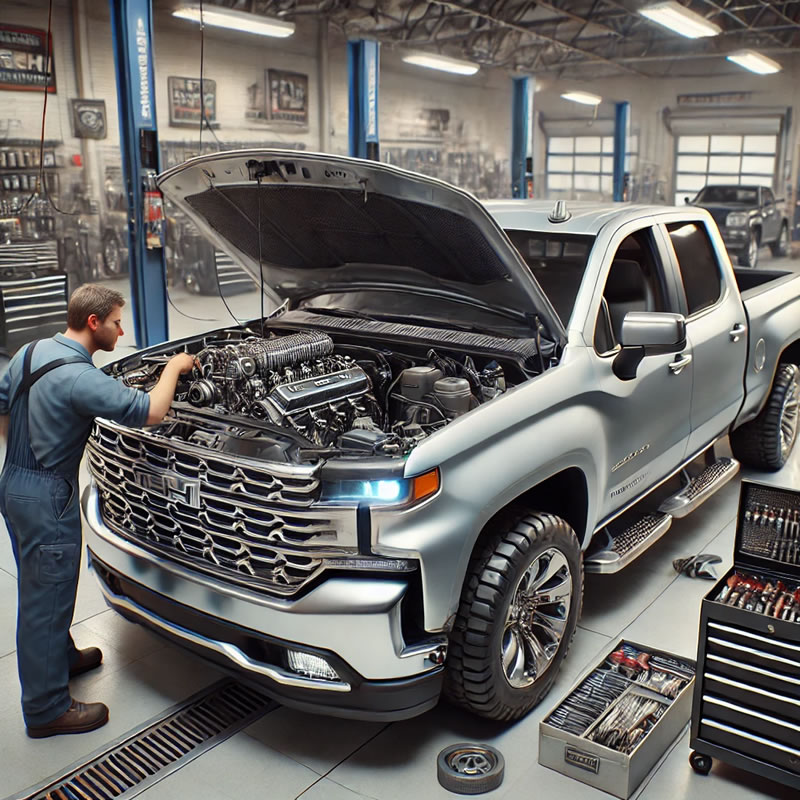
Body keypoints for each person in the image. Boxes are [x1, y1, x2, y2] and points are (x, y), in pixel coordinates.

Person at [0, 284, 194, 738]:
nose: (121, 331)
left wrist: (23, 456)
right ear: (93, 323)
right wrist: (174, 367)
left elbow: (3, 404)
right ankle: (47, 709)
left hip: (14, 482)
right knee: (43, 597)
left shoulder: (31, 350)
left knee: (47, 583)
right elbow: (153, 411)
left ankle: (59, 657)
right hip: (49, 494)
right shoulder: (82, 379)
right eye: (115, 323)